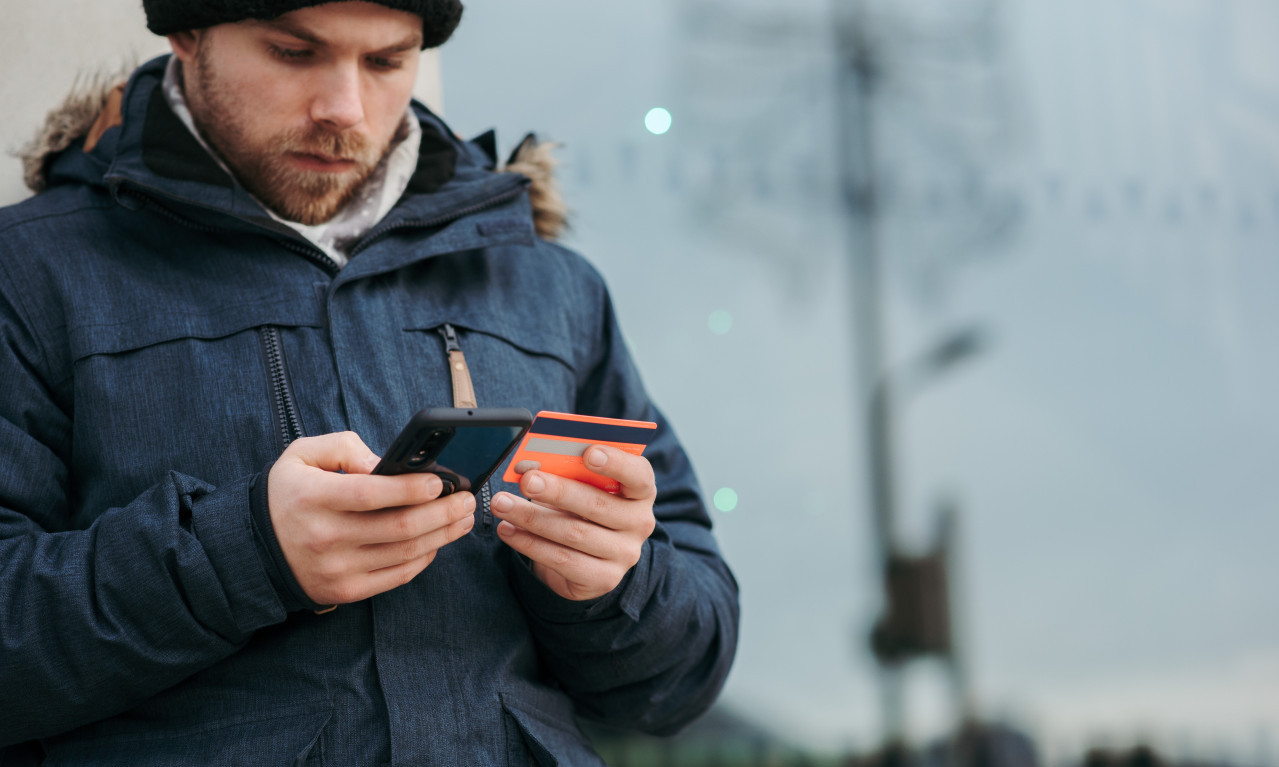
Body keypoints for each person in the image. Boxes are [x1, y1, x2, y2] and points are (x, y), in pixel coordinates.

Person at [0, 1, 739, 763]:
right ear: (189, 33)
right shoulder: (28, 274)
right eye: (294, 52)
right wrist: (243, 555)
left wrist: (613, 585)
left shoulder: (548, 287)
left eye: (386, 61)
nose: (343, 109)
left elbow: (683, 679)